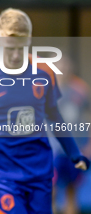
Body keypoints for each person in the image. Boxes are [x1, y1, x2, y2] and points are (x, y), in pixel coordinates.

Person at [0, 8, 90, 213]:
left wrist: (75, 154)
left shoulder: (44, 72)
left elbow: (54, 115)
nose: (15, 55)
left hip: (39, 172)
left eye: (21, 48)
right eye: (9, 48)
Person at [49, 55, 91, 214]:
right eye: (59, 66)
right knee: (50, 191)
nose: (63, 69)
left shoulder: (80, 90)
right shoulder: (45, 89)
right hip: (52, 150)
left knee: (71, 191)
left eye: (66, 66)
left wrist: (88, 146)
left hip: (74, 149)